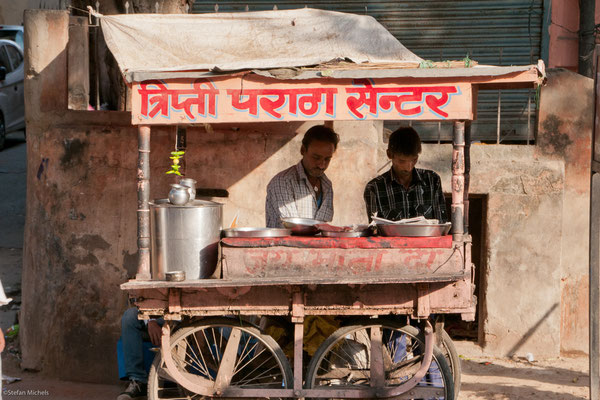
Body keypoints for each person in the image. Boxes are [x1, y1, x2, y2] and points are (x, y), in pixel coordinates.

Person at [364, 127, 448, 223]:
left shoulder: (432, 180)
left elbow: (442, 225)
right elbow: (374, 230)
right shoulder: (374, 188)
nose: (408, 167)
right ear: (389, 154)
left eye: (414, 160)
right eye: (402, 161)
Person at [266, 124, 339, 228]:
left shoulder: (327, 185)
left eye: (327, 159)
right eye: (316, 157)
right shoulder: (283, 182)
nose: (322, 165)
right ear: (303, 150)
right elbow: (292, 227)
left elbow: (322, 228)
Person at [118, 308, 163, 400]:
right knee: (130, 316)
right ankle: (138, 380)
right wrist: (151, 320)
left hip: (181, 314)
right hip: (154, 313)